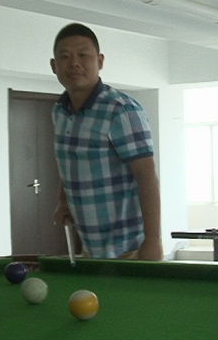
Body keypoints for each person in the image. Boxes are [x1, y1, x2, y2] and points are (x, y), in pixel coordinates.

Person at [50, 23, 163, 261]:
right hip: (91, 250)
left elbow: (147, 175)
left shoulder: (121, 110)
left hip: (130, 250)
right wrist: (63, 200)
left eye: (83, 55)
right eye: (65, 56)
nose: (74, 63)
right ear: (54, 65)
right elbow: (70, 160)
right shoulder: (60, 111)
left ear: (100, 61)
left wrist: (153, 241)